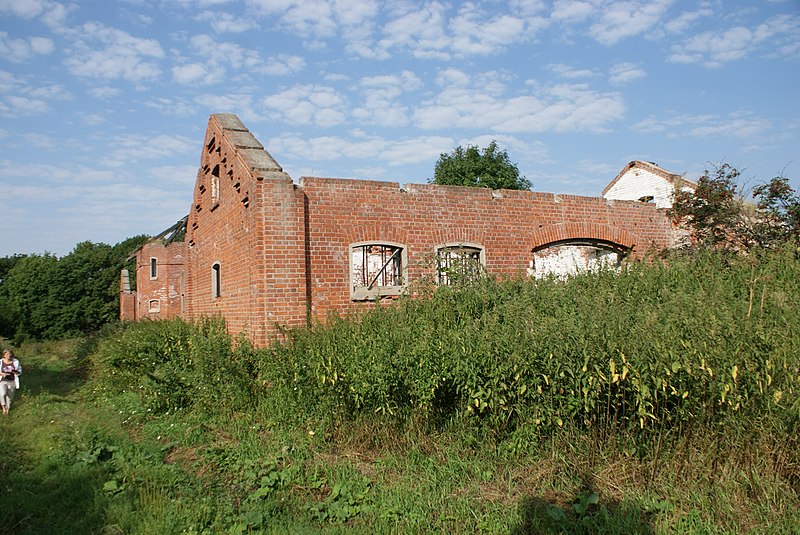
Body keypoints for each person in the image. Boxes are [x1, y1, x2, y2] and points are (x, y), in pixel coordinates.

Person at [1, 349, 21, 415]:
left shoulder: (15, 362)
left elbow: (19, 371)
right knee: (2, 394)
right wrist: (1, 374)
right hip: (2, 381)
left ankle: (8, 409)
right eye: (7, 354)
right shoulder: (1, 362)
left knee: (10, 396)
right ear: (4, 355)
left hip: (12, 381)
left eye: (10, 354)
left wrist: (16, 372)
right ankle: (3, 407)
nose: (9, 355)